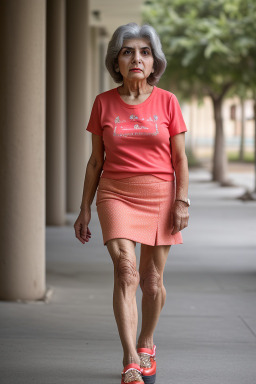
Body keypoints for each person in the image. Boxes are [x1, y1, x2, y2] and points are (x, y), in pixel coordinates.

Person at [74, 22, 190, 384]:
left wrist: (182, 200)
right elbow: (95, 162)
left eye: (144, 52)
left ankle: (146, 343)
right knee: (126, 270)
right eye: (127, 52)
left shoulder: (168, 101)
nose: (136, 58)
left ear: (154, 62)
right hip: (116, 192)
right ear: (117, 62)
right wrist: (84, 208)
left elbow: (180, 159)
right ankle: (129, 362)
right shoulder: (103, 103)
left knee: (151, 282)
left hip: (160, 193)